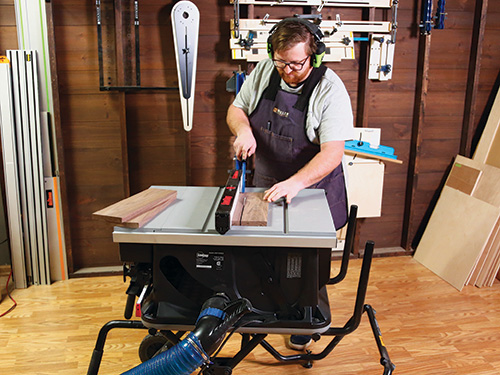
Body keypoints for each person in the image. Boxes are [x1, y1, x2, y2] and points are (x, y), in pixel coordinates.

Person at [226, 18, 354, 350]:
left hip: (313, 189)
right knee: (265, 257)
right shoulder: (267, 70)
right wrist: (243, 131)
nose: (288, 70)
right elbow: (237, 109)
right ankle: (267, 312)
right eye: (282, 62)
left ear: (314, 55)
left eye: (296, 63)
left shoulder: (330, 90)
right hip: (268, 181)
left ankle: (304, 318)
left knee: (305, 262)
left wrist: (296, 184)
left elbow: (333, 153)